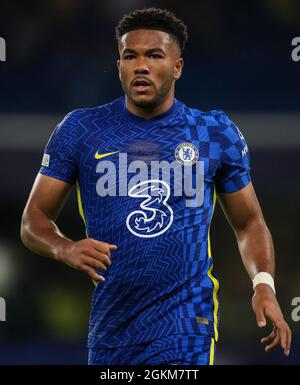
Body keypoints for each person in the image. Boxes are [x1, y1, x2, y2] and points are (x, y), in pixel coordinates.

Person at [20, 7, 291, 365]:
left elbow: (248, 222)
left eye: (154, 55)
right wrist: (64, 248)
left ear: (177, 67)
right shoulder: (81, 130)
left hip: (187, 322)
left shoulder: (213, 133)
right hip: (111, 327)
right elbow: (33, 220)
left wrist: (264, 285)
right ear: (119, 66)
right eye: (130, 56)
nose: (141, 66)